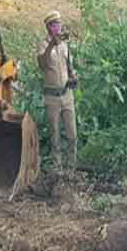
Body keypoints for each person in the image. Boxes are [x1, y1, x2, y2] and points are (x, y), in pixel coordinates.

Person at [37, 10, 78, 170]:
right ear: (48, 27)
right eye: (54, 25)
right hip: (52, 98)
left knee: (72, 135)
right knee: (55, 136)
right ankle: (58, 168)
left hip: (67, 95)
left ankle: (71, 167)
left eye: (59, 24)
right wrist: (50, 47)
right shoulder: (43, 45)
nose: (58, 27)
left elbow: (70, 67)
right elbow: (43, 64)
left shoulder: (65, 45)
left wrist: (73, 77)